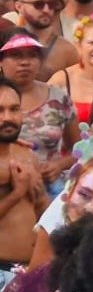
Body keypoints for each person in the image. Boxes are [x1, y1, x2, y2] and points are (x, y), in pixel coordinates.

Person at [1, 30, 77, 194]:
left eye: (32, 55)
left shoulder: (58, 97)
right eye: (16, 55)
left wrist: (58, 166)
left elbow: (79, 149)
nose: (25, 62)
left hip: (51, 188)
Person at [0, 78, 48, 266]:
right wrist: (16, 193)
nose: (8, 118)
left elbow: (42, 210)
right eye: (0, 110)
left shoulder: (27, 155)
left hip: (30, 270)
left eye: (14, 109)